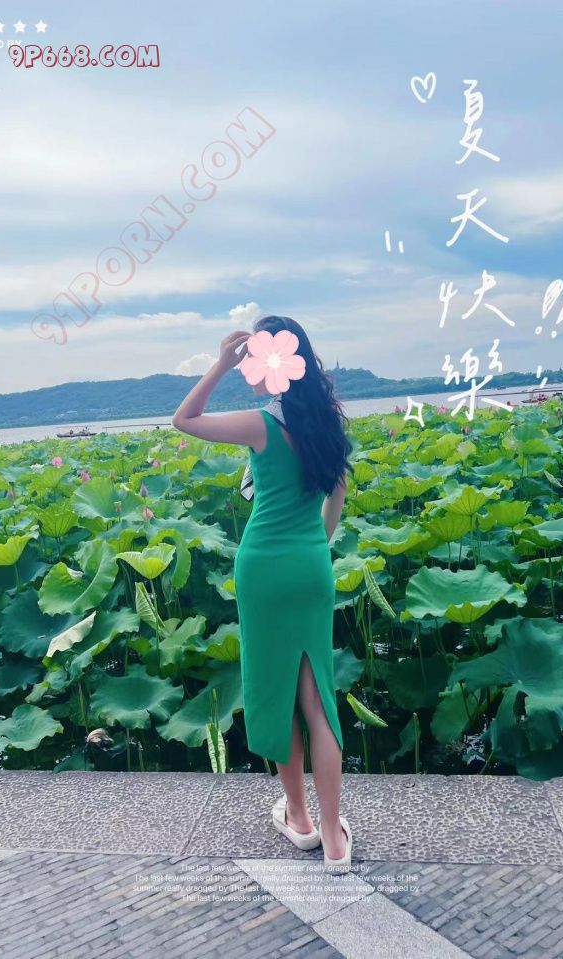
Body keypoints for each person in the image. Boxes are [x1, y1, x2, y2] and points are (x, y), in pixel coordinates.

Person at [172, 315, 354, 872]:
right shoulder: (325, 425)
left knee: (275, 692)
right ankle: (334, 839)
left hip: (263, 571)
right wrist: (315, 545)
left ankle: (298, 818)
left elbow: (184, 419)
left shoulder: (260, 425)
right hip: (311, 567)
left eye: (251, 361)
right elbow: (338, 494)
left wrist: (218, 365)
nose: (249, 370)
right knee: (317, 700)